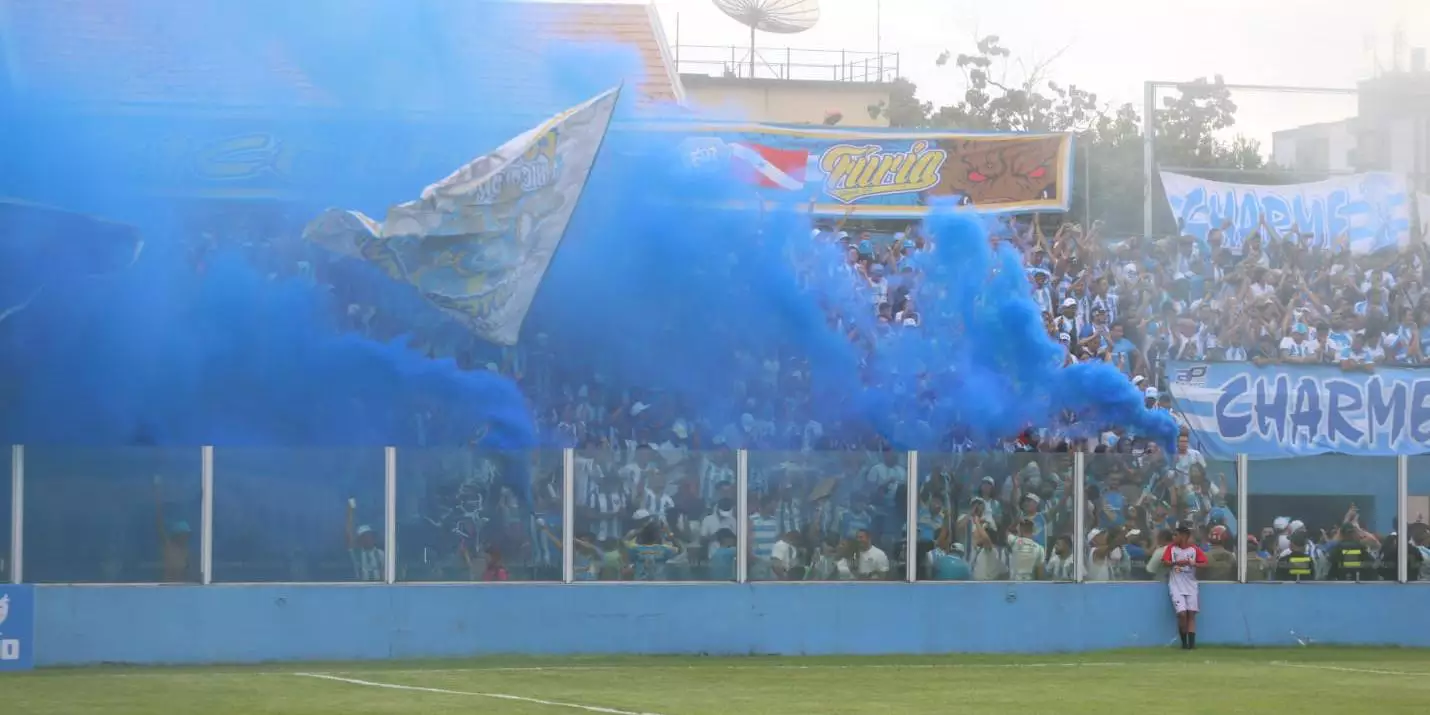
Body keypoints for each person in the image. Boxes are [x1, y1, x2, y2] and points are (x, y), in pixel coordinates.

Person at [1163, 523, 1207, 650]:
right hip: (1176, 585)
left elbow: (1205, 563)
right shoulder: (1171, 548)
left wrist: (1193, 564)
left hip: (1191, 585)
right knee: (1182, 614)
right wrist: (1176, 562)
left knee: (1191, 614)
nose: (1173, 537)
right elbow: (1165, 562)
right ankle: (1184, 643)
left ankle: (1191, 645)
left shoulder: (1194, 549)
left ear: (1184, 536)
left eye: (1176, 535)